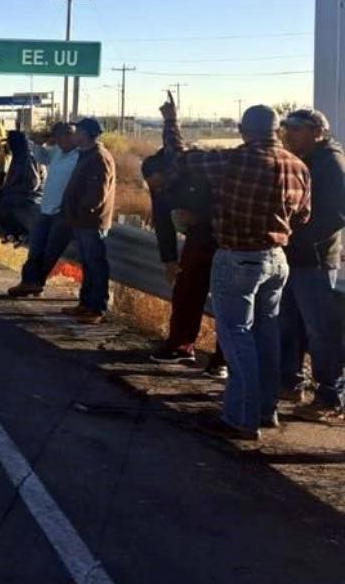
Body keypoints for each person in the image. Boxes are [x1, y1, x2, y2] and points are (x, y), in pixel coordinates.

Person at [170, 102, 310, 441]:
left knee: (237, 338)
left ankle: (240, 418)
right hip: (277, 259)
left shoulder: (234, 159)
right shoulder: (298, 166)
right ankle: (266, 411)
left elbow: (182, 157)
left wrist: (171, 123)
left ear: (243, 129)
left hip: (238, 258)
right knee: (266, 336)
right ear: (277, 130)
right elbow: (304, 217)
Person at [144, 112, 227, 377]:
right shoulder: (160, 190)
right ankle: (180, 346)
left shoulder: (198, 169)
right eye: (150, 185)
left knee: (227, 301)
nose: (154, 188)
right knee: (186, 293)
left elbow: (231, 205)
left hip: (228, 240)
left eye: (155, 181)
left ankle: (222, 360)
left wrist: (201, 217)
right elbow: (163, 225)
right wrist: (169, 260)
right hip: (197, 242)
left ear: (167, 172)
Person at [277, 108, 344, 420]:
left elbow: (336, 215)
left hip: (314, 261)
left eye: (296, 128)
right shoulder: (306, 160)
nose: (289, 133)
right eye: (287, 127)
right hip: (294, 257)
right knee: (289, 325)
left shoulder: (331, 163)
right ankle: (290, 382)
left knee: (321, 330)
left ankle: (330, 395)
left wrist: (300, 237)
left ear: (318, 131)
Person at [7, 123, 79, 297]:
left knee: (50, 251)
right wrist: (39, 144)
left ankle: (34, 282)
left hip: (63, 212)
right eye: (56, 137)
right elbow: (42, 158)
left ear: (71, 136)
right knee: (36, 247)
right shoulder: (58, 152)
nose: (58, 141)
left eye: (61, 137)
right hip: (46, 208)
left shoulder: (80, 156)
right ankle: (29, 282)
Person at [59, 117, 116, 324]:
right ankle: (85, 304)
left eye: (77, 131)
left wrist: (79, 210)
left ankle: (97, 308)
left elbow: (96, 195)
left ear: (85, 134)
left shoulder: (99, 158)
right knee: (88, 265)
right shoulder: (86, 155)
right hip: (81, 221)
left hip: (91, 222)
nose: (73, 134)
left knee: (96, 264)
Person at [0, 129, 44, 244]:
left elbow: (33, 183)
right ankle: (13, 233)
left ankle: (18, 233)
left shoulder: (27, 157)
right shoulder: (18, 156)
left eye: (9, 143)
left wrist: (10, 190)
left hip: (29, 197)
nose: (8, 146)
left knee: (3, 202)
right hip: (18, 195)